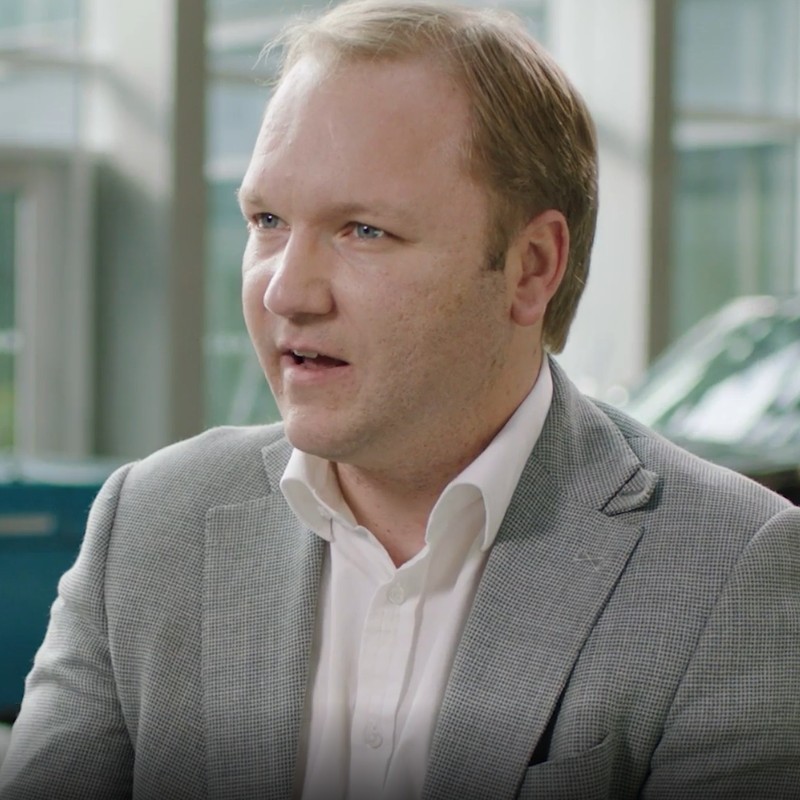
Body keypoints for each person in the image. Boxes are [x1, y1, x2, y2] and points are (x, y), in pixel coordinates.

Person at [2, 1, 799, 798]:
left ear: (530, 267)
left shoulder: (728, 571)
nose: (286, 291)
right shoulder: (150, 525)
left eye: (363, 231)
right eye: (268, 220)